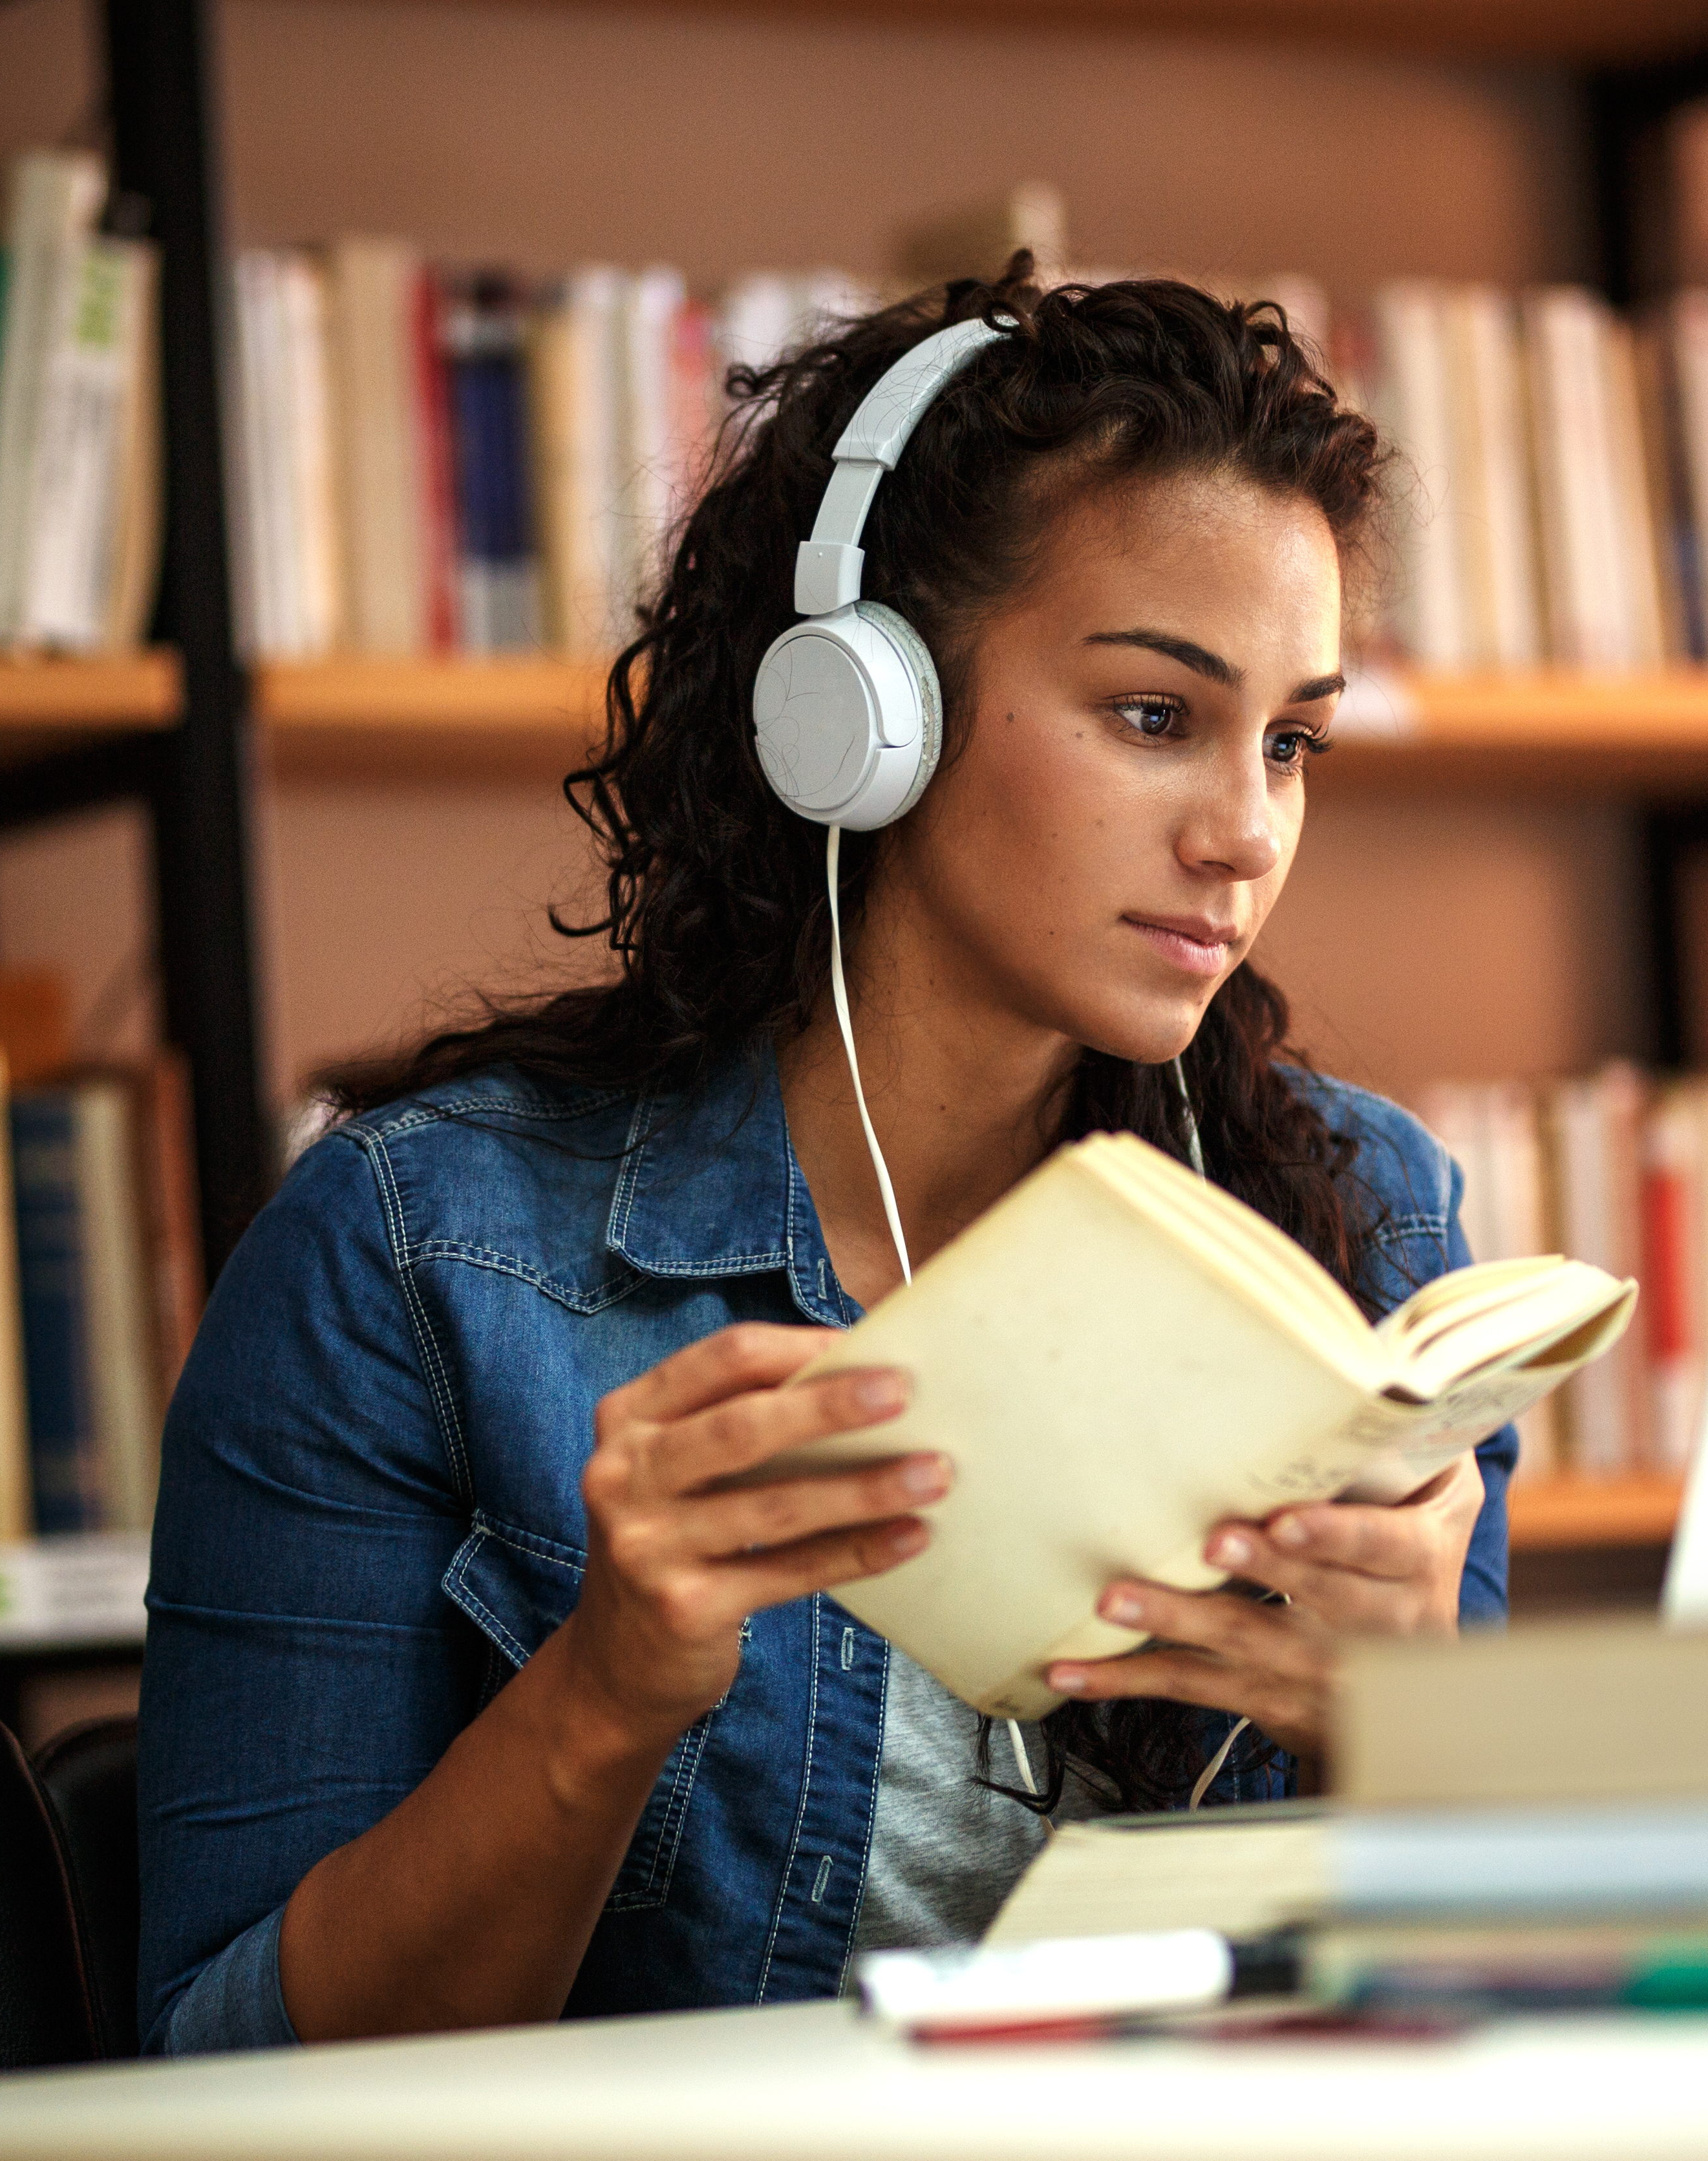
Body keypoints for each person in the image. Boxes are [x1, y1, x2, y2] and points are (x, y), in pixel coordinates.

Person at [137, 263, 1519, 2053]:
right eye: (1154, 716)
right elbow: (229, 2067)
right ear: (865, 713)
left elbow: (1473, 2017)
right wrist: (608, 1689)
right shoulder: (414, 1257)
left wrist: (1409, 1734)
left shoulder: (1362, 1222)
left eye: (1291, 739)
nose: (1245, 831)